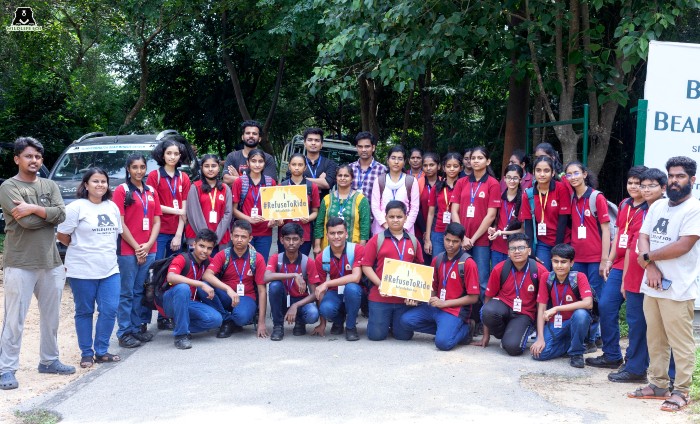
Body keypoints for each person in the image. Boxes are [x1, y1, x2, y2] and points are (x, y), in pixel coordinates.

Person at [0, 137, 74, 390]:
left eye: (38, 157)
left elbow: (62, 215)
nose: (34, 161)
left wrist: (33, 208)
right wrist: (47, 215)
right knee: (14, 318)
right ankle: (6, 369)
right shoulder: (8, 187)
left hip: (51, 261)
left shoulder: (49, 184)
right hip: (19, 261)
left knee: (51, 317)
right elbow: (27, 223)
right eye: (29, 156)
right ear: (17, 159)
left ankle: (49, 361)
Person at [629, 156, 700, 412]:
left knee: (680, 343)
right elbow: (643, 236)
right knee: (655, 338)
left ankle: (682, 390)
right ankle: (658, 385)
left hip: (678, 289)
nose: (674, 180)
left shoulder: (694, 209)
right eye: (671, 175)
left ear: (692, 180)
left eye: (680, 176)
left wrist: (648, 258)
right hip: (652, 284)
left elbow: (684, 245)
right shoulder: (658, 205)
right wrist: (650, 266)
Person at [57, 168, 122, 368]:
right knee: (84, 311)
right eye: (95, 181)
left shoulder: (112, 207)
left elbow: (117, 234)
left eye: (103, 181)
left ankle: (101, 350)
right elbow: (62, 235)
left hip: (110, 269)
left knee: (110, 310)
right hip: (82, 270)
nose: (100, 185)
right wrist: (80, 248)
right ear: (86, 185)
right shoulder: (76, 207)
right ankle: (86, 353)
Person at [607, 168, 664, 383]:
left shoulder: (660, 210)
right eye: (643, 185)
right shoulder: (634, 207)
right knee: (636, 322)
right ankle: (636, 366)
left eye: (650, 185)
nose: (644, 189)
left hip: (653, 275)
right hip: (634, 274)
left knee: (651, 325)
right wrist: (624, 278)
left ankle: (645, 369)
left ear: (663, 188)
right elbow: (632, 248)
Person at [591, 166, 647, 372]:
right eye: (630, 183)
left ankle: (635, 362)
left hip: (635, 266)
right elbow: (618, 235)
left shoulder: (649, 209)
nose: (633, 187)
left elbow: (635, 247)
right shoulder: (625, 204)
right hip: (618, 264)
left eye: (638, 184)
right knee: (605, 305)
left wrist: (624, 276)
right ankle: (612, 355)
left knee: (636, 317)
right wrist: (608, 260)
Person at [400, 223, 480, 351]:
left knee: (443, 343)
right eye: (447, 240)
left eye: (455, 241)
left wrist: (445, 303)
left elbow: (474, 298)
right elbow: (433, 289)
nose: (450, 244)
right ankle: (445, 329)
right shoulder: (437, 259)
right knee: (405, 321)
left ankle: (466, 329)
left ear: (461, 241)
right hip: (436, 306)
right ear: (443, 238)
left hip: (454, 310)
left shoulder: (468, 263)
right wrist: (417, 298)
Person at [113, 154, 161, 348]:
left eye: (142, 167)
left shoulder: (151, 191)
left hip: (149, 248)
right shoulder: (121, 190)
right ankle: (124, 332)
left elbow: (157, 220)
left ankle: (135, 328)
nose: (139, 171)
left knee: (139, 291)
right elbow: (120, 223)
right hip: (128, 249)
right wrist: (137, 247)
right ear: (128, 169)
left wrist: (148, 245)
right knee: (126, 293)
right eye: (135, 167)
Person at [361, 201, 424, 341]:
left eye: (399, 217)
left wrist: (415, 294)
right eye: (391, 217)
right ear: (386, 217)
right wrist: (381, 284)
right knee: (376, 336)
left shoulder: (413, 241)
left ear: (406, 218)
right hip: (380, 296)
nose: (395, 220)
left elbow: (419, 269)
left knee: (404, 336)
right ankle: (384, 322)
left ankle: (392, 323)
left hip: (403, 300)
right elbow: (366, 266)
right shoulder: (376, 239)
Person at [564, 161, 610, 353]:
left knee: (594, 298)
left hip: (595, 258)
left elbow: (606, 229)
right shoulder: (573, 198)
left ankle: (591, 339)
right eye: (569, 174)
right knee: (580, 296)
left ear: (584, 174)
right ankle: (592, 337)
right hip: (578, 258)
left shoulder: (596, 197)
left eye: (576, 173)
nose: (573, 177)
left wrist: (604, 259)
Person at [476, 234, 548, 356]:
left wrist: (540, 337)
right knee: (487, 311)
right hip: (503, 307)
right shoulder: (500, 268)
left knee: (513, 348)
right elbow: (487, 298)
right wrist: (486, 335)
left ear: (529, 250)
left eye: (521, 248)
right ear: (508, 252)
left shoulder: (540, 271)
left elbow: (542, 305)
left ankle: (513, 335)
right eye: (513, 248)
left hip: (524, 314)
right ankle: (505, 334)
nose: (517, 252)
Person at [147, 135, 191, 331]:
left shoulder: (184, 177)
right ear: (162, 155)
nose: (172, 157)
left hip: (176, 233)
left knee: (174, 274)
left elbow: (185, 207)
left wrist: (178, 235)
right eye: (169, 153)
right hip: (159, 232)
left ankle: (166, 315)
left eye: (176, 153)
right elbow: (154, 205)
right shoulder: (154, 177)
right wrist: (178, 212)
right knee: (157, 275)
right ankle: (150, 316)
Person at [201, 220, 268, 338]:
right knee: (203, 287)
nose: (239, 239)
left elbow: (262, 291)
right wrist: (228, 289)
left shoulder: (257, 258)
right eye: (236, 236)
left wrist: (262, 322)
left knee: (241, 318)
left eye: (243, 237)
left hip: (246, 297)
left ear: (250, 238)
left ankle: (234, 319)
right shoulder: (223, 255)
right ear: (231, 236)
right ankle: (227, 320)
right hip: (226, 295)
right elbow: (207, 275)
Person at [530, 243, 593, 368]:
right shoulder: (546, 277)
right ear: (551, 261)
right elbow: (541, 308)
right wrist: (540, 338)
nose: (559, 266)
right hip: (556, 323)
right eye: (555, 261)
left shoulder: (579, 277)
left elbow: (588, 303)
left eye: (563, 262)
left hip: (574, 322)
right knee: (539, 354)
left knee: (581, 315)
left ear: (571, 263)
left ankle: (576, 353)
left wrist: (556, 308)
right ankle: (570, 345)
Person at [160, 229, 224, 349]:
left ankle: (180, 325)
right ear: (193, 244)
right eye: (201, 246)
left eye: (209, 248)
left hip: (190, 303)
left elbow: (223, 262)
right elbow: (171, 277)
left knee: (216, 320)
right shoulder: (182, 258)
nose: (205, 251)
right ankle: (181, 336)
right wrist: (200, 284)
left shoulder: (208, 262)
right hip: (170, 301)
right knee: (183, 288)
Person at [450, 146, 501, 296]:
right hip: (461, 239)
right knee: (460, 277)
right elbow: (454, 210)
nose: (476, 161)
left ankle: (482, 317)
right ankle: (462, 314)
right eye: (473, 158)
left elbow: (491, 215)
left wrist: (472, 239)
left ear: (488, 161)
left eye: (480, 158)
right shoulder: (461, 182)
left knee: (482, 279)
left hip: (481, 240)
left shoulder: (493, 183)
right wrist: (463, 237)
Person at [264, 223, 321, 341]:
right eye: (287, 239)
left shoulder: (308, 262)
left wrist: (296, 305)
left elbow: (315, 293)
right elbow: (265, 277)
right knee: (274, 286)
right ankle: (278, 326)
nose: (291, 242)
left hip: (300, 301)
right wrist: (294, 275)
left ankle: (300, 322)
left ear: (301, 241)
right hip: (283, 300)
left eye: (295, 239)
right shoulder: (276, 258)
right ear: (281, 240)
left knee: (313, 314)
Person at [312, 217, 364, 341]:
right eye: (332, 233)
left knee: (351, 288)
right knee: (326, 308)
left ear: (346, 234)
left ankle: (351, 327)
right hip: (335, 292)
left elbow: (356, 277)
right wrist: (322, 323)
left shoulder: (357, 249)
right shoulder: (321, 258)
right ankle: (338, 321)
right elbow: (320, 291)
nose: (336, 237)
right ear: (327, 235)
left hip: (356, 292)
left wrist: (327, 283)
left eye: (340, 233)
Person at [519, 156, 571, 270]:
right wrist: (530, 252)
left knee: (560, 275)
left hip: (562, 240)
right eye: (538, 170)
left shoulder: (561, 189)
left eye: (546, 170)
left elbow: (563, 221)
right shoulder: (528, 194)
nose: (542, 174)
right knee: (543, 275)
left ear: (553, 173)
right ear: (533, 172)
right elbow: (528, 226)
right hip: (543, 243)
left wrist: (558, 249)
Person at [232, 149, 280, 261]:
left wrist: (273, 220)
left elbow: (274, 208)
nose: (257, 164)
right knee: (243, 262)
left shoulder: (270, 183)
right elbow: (234, 209)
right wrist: (249, 219)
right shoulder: (240, 182)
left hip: (265, 231)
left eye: (260, 161)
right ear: (248, 163)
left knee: (261, 263)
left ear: (264, 163)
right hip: (244, 231)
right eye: (254, 161)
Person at [314, 164, 371, 254]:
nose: (342, 178)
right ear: (336, 178)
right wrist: (317, 245)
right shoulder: (327, 199)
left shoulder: (361, 199)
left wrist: (362, 247)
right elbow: (319, 224)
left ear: (352, 178)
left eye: (346, 176)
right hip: (328, 247)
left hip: (353, 247)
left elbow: (365, 226)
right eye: (340, 175)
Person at [184, 154, 232, 253]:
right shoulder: (195, 187)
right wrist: (206, 239)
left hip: (220, 238)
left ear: (219, 168)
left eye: (213, 166)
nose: (210, 169)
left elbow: (228, 213)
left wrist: (215, 237)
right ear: (201, 168)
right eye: (206, 166)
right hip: (198, 238)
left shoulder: (225, 188)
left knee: (217, 268)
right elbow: (194, 215)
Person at [371, 146, 420, 235]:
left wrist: (403, 227)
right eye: (393, 158)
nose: (396, 162)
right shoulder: (379, 180)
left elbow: (414, 208)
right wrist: (386, 225)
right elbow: (375, 207)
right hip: (381, 229)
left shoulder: (411, 181)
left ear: (404, 162)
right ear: (387, 160)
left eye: (400, 159)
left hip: (405, 230)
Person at [278, 153, 320, 256]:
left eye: (300, 165)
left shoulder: (312, 187)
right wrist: (278, 219)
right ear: (289, 166)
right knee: (284, 264)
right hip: (285, 233)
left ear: (305, 167)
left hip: (304, 235)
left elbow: (315, 212)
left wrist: (308, 218)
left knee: (302, 264)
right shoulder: (281, 186)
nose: (297, 168)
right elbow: (276, 212)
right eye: (294, 164)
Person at [424, 153, 461, 260]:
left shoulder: (464, 186)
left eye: (455, 166)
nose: (452, 169)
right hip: (438, 231)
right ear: (443, 168)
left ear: (460, 168)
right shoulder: (437, 187)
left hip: (457, 232)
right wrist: (427, 239)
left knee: (456, 265)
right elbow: (430, 214)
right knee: (438, 263)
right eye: (448, 166)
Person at [286, 128, 338, 200]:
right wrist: (319, 181)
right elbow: (290, 182)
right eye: (310, 140)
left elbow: (327, 184)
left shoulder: (330, 164)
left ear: (321, 144)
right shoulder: (296, 162)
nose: (313, 143)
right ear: (304, 143)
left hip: (322, 207)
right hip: (298, 205)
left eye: (317, 140)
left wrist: (301, 179)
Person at [488, 164, 524, 266]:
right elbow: (495, 221)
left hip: (515, 247)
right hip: (497, 246)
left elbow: (522, 230)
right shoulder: (499, 197)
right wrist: (493, 229)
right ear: (504, 179)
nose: (511, 181)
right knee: (497, 277)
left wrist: (502, 232)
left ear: (520, 180)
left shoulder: (523, 200)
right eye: (509, 177)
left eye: (515, 178)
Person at [223, 120, 277, 184]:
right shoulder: (232, 156)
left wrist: (238, 178)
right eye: (248, 133)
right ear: (242, 137)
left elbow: (269, 183)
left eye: (254, 133)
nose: (251, 136)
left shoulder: (267, 158)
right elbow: (226, 179)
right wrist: (253, 180)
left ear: (259, 138)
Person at [349, 131, 386, 208]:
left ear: (373, 148)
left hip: (372, 217)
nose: (363, 150)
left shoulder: (382, 170)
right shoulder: (349, 168)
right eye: (360, 146)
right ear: (356, 148)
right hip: (350, 216)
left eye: (367, 146)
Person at [416, 152, 440, 264]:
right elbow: (417, 208)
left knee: (437, 261)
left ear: (439, 166)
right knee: (423, 262)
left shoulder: (443, 182)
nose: (428, 168)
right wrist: (425, 231)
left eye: (432, 165)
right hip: (420, 228)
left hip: (439, 228)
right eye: (425, 165)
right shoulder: (418, 183)